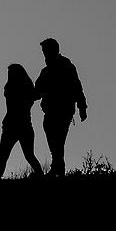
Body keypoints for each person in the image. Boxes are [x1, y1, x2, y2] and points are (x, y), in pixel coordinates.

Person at [34, 38, 88, 178]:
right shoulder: (46, 70)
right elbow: (38, 90)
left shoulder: (66, 66)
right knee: (55, 140)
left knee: (58, 140)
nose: (44, 54)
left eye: (45, 50)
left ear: (53, 50)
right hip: (52, 110)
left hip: (63, 110)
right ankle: (57, 168)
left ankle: (58, 169)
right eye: (43, 51)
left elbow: (77, 87)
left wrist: (82, 107)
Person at [0, 64, 44, 180]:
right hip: (18, 126)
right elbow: (36, 95)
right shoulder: (18, 88)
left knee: (23, 155)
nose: (10, 75)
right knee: (8, 155)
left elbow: (36, 95)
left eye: (12, 72)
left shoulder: (15, 89)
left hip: (17, 126)